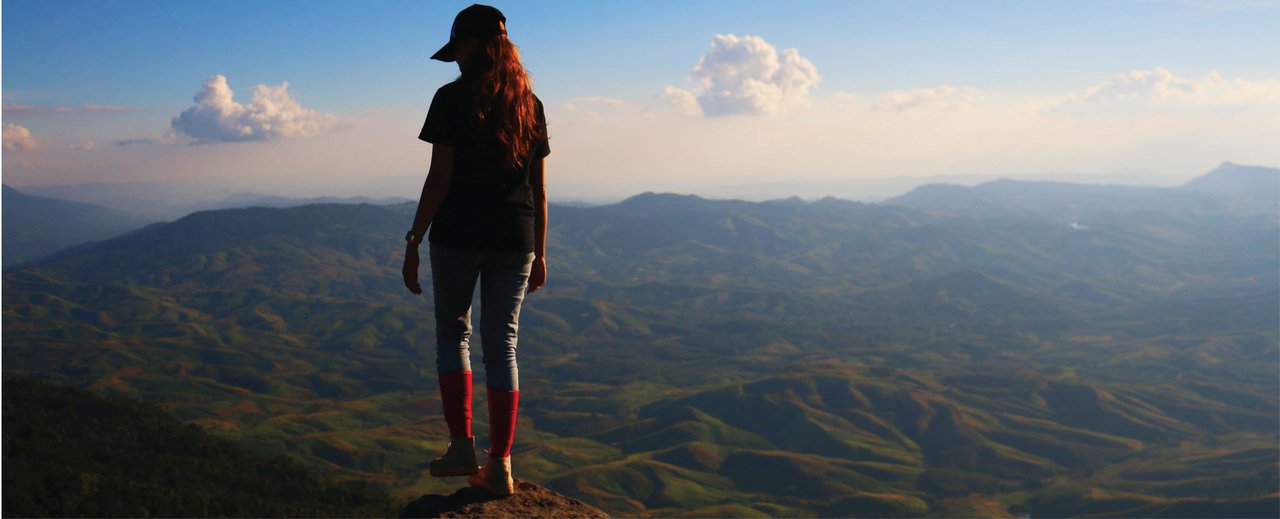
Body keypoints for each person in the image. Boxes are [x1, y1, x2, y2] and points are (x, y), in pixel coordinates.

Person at [402, 4, 549, 497]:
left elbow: (439, 177)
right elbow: (538, 188)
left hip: (458, 235)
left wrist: (414, 237)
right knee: (502, 345)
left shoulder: (450, 99)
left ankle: (462, 446)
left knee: (452, 333)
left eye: (458, 48)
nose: (456, 58)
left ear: (472, 45)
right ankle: (501, 464)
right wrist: (542, 251)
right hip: (516, 237)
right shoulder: (530, 103)